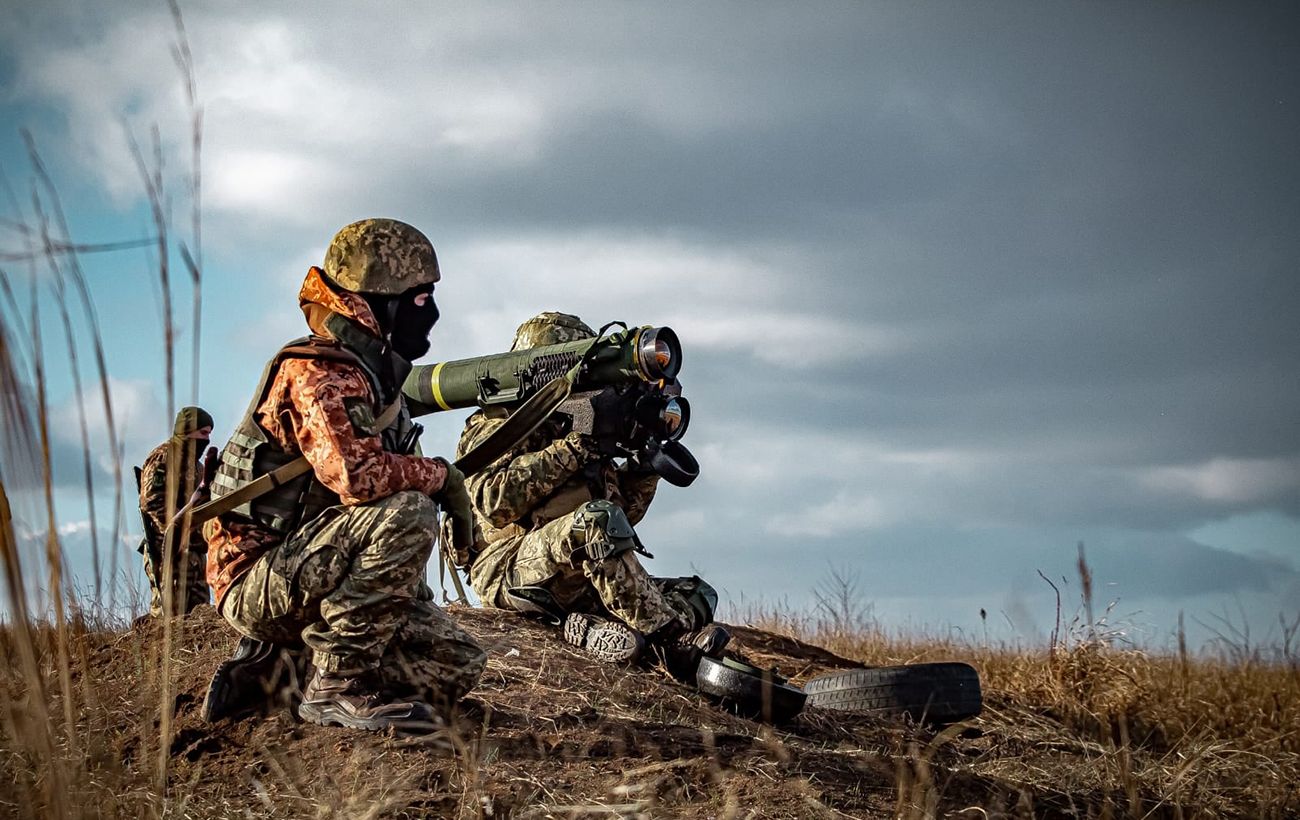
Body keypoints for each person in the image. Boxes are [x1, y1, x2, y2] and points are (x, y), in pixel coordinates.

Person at [200, 218, 485, 732]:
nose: (434, 314)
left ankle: (285, 667)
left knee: (458, 663)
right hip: (257, 579)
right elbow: (361, 480)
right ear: (379, 302)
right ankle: (336, 685)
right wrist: (442, 477)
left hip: (311, 570)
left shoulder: (373, 377)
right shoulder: (318, 372)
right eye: (420, 301)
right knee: (410, 510)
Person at [449, 312, 728, 681]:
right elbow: (493, 502)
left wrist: (644, 467)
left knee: (699, 594)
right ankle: (669, 643)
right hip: (508, 568)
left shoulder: (584, 419)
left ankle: (596, 630)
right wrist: (576, 448)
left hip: (578, 576)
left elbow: (623, 517)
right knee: (595, 520)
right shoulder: (499, 421)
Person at [137, 405, 213, 617]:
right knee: (169, 618)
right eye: (203, 433)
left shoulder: (198, 467)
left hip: (195, 553)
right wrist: (179, 530)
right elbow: (152, 500)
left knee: (199, 618)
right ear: (188, 431)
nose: (207, 440)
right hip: (168, 551)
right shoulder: (164, 458)